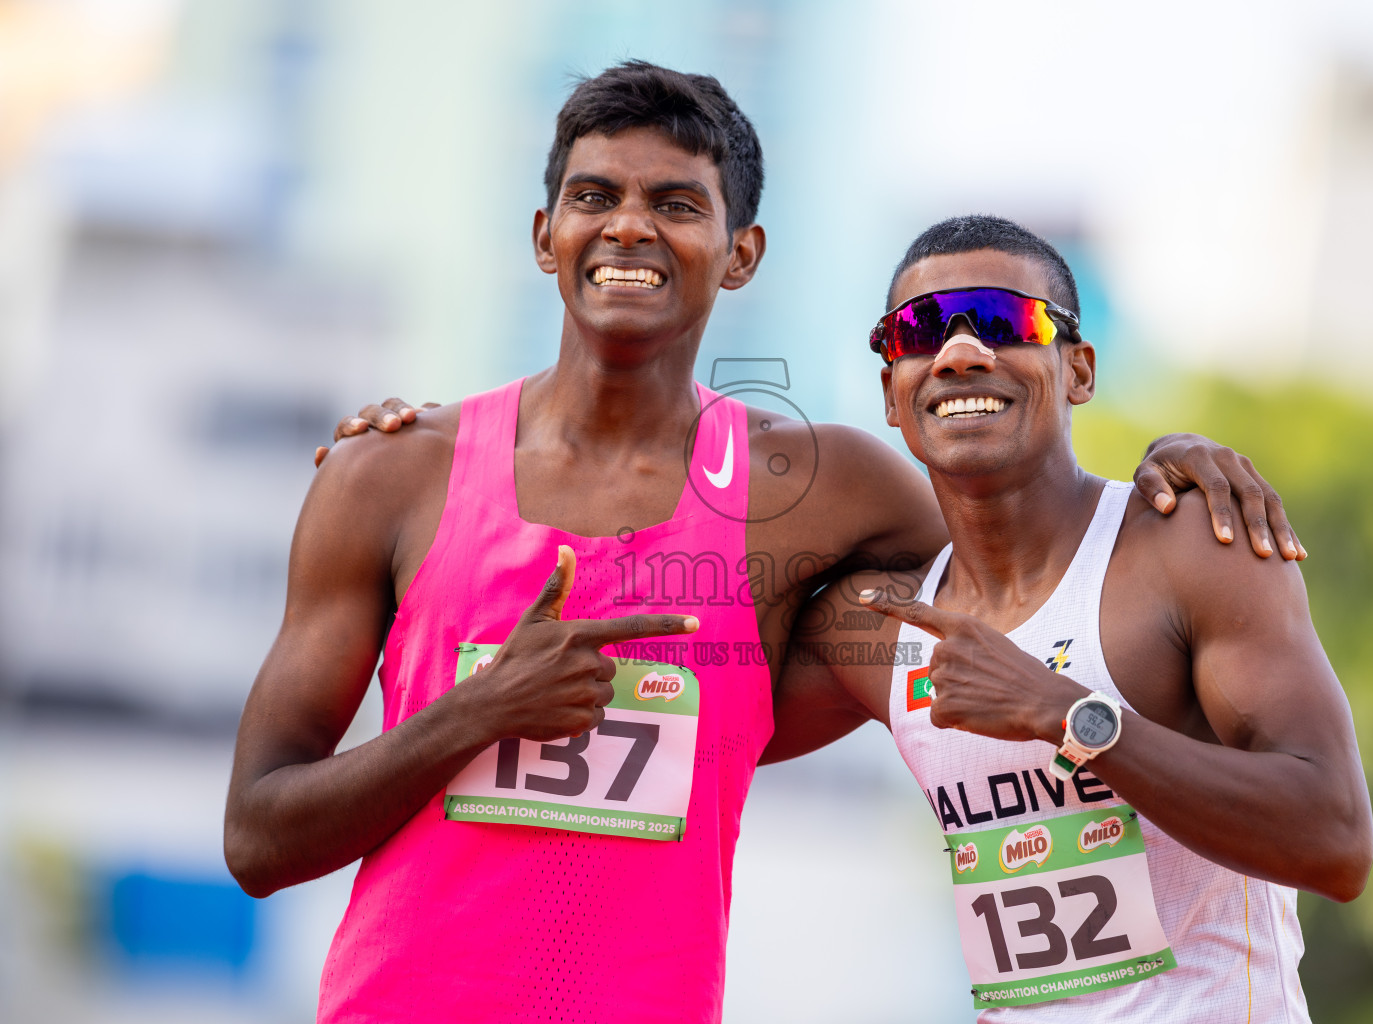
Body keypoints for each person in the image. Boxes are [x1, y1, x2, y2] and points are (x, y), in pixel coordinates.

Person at [226, 63, 1302, 1023]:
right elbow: (260, 838)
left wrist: (1171, 464)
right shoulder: (391, 475)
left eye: (675, 204)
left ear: (741, 254)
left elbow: (1045, 554)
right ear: (544, 234)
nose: (629, 228)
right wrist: (478, 710)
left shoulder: (822, 489)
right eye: (594, 197)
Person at [764, 215, 1373, 1021]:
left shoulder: (1188, 547)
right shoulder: (878, 629)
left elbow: (1335, 840)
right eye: (918, 331)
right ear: (892, 395)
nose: (959, 353)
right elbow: (687, 745)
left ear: (1078, 369)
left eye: (1003, 322)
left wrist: (1066, 715)